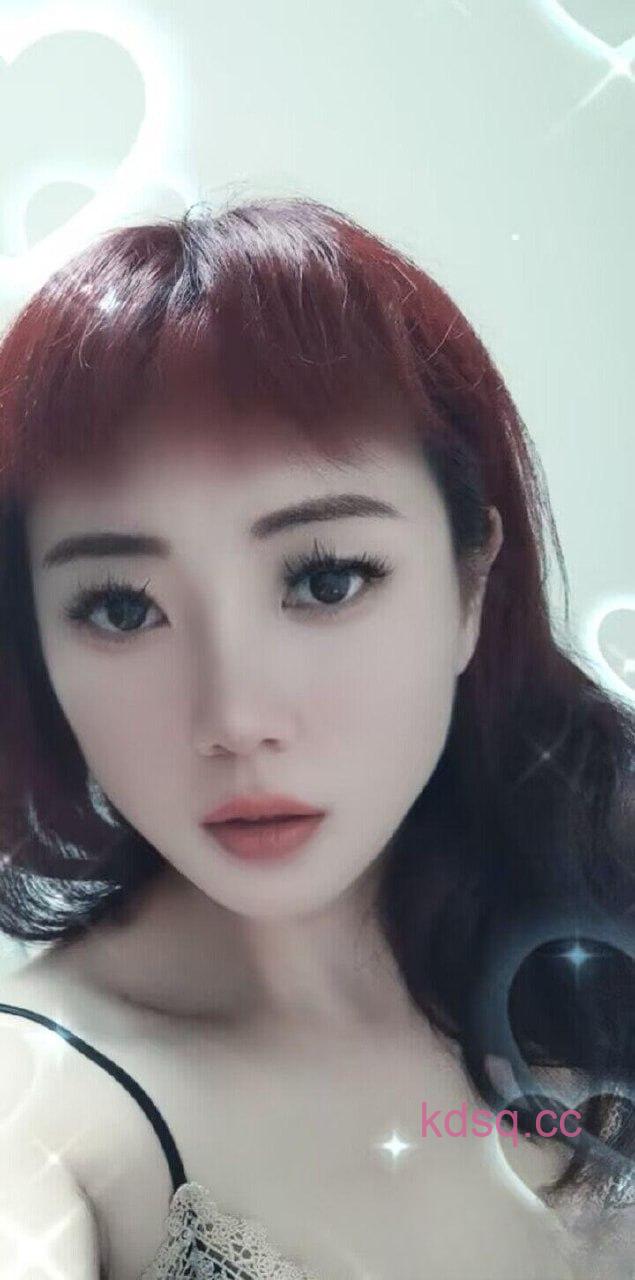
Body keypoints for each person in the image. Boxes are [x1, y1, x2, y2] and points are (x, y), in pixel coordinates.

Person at [0, 196, 632, 1279]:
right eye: (119, 607)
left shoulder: (593, 922)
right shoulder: (43, 1112)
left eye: (325, 579)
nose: (235, 718)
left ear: (470, 583)